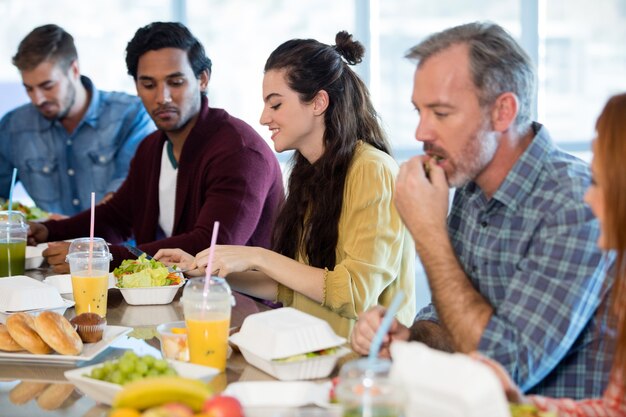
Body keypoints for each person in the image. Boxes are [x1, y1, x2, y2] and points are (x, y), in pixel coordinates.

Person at [350, 22, 613, 398]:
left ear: (503, 112)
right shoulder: (471, 183)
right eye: (419, 111)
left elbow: (506, 370)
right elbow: (449, 317)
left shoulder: (575, 205)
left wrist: (428, 233)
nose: (421, 132)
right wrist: (409, 340)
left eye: (440, 113)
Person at [155, 31, 416, 338]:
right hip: (312, 352)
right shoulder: (311, 172)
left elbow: (355, 294)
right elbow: (292, 288)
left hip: (361, 364)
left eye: (275, 104)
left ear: (318, 102)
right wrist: (207, 270)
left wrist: (256, 256)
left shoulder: (371, 169)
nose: (264, 117)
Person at [28, 22, 284, 271]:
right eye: (149, 85)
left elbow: (212, 246)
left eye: (175, 82)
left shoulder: (239, 151)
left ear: (203, 80)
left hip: (243, 304)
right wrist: (48, 229)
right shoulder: (151, 147)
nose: (162, 97)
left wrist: (106, 257)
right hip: (173, 297)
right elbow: (118, 216)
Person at [476, 93, 626, 415]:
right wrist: (519, 404)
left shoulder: (567, 208)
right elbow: (615, 408)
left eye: (599, 182)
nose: (588, 198)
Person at [0, 24, 154, 216]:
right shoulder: (13, 127)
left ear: (74, 70)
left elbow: (126, 200)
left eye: (47, 86)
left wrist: (64, 229)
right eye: (29, 89)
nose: (37, 99)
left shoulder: (132, 116)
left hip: (118, 245)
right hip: (45, 246)